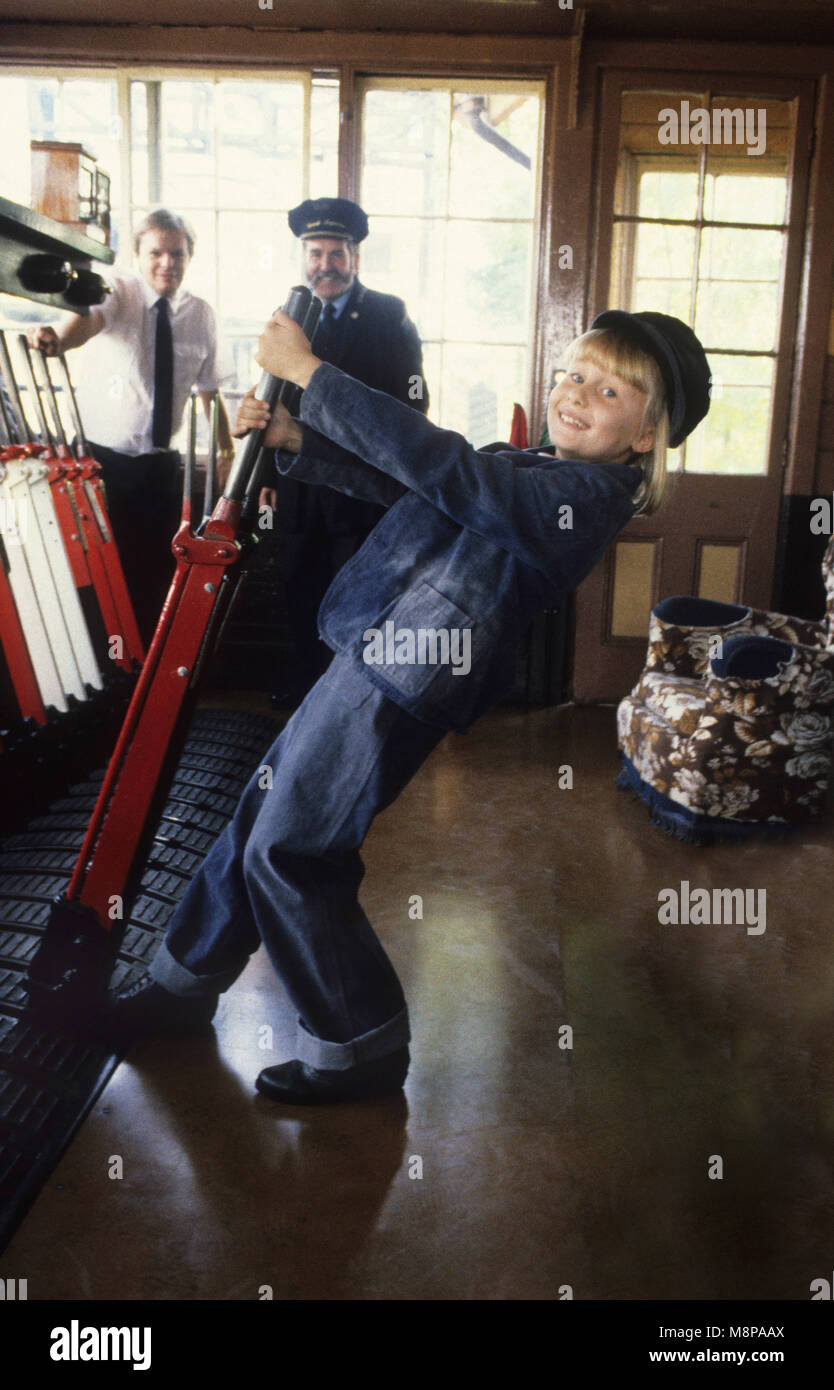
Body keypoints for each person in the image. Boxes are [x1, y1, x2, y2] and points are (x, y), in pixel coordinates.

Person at [100, 309, 712, 1105]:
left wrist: (316, 376)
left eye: (610, 389)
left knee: (292, 850)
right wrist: (299, 440)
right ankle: (180, 987)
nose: (577, 394)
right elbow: (410, 480)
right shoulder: (527, 464)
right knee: (259, 817)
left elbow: (447, 468)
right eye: (573, 373)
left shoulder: (585, 499)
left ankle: (361, 1044)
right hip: (373, 649)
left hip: (404, 678)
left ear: (645, 438)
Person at [27, 208, 235, 643]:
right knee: (98, 568)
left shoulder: (202, 314)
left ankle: (140, 663)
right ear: (138, 256)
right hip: (100, 464)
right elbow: (88, 321)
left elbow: (210, 391)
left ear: (189, 257)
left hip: (160, 467)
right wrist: (58, 342)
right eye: (155, 252)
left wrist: (225, 451)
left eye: (176, 253)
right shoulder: (118, 292)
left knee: (156, 569)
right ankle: (102, 666)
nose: (167, 263)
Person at [268, 197, 429, 697]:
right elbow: (271, 400)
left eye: (335, 254)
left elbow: (412, 400)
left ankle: (349, 696)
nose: (325, 266)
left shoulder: (387, 315)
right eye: (315, 254)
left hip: (360, 483)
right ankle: (303, 690)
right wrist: (268, 482)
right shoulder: (289, 316)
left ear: (354, 258)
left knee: (355, 591)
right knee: (299, 582)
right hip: (298, 483)